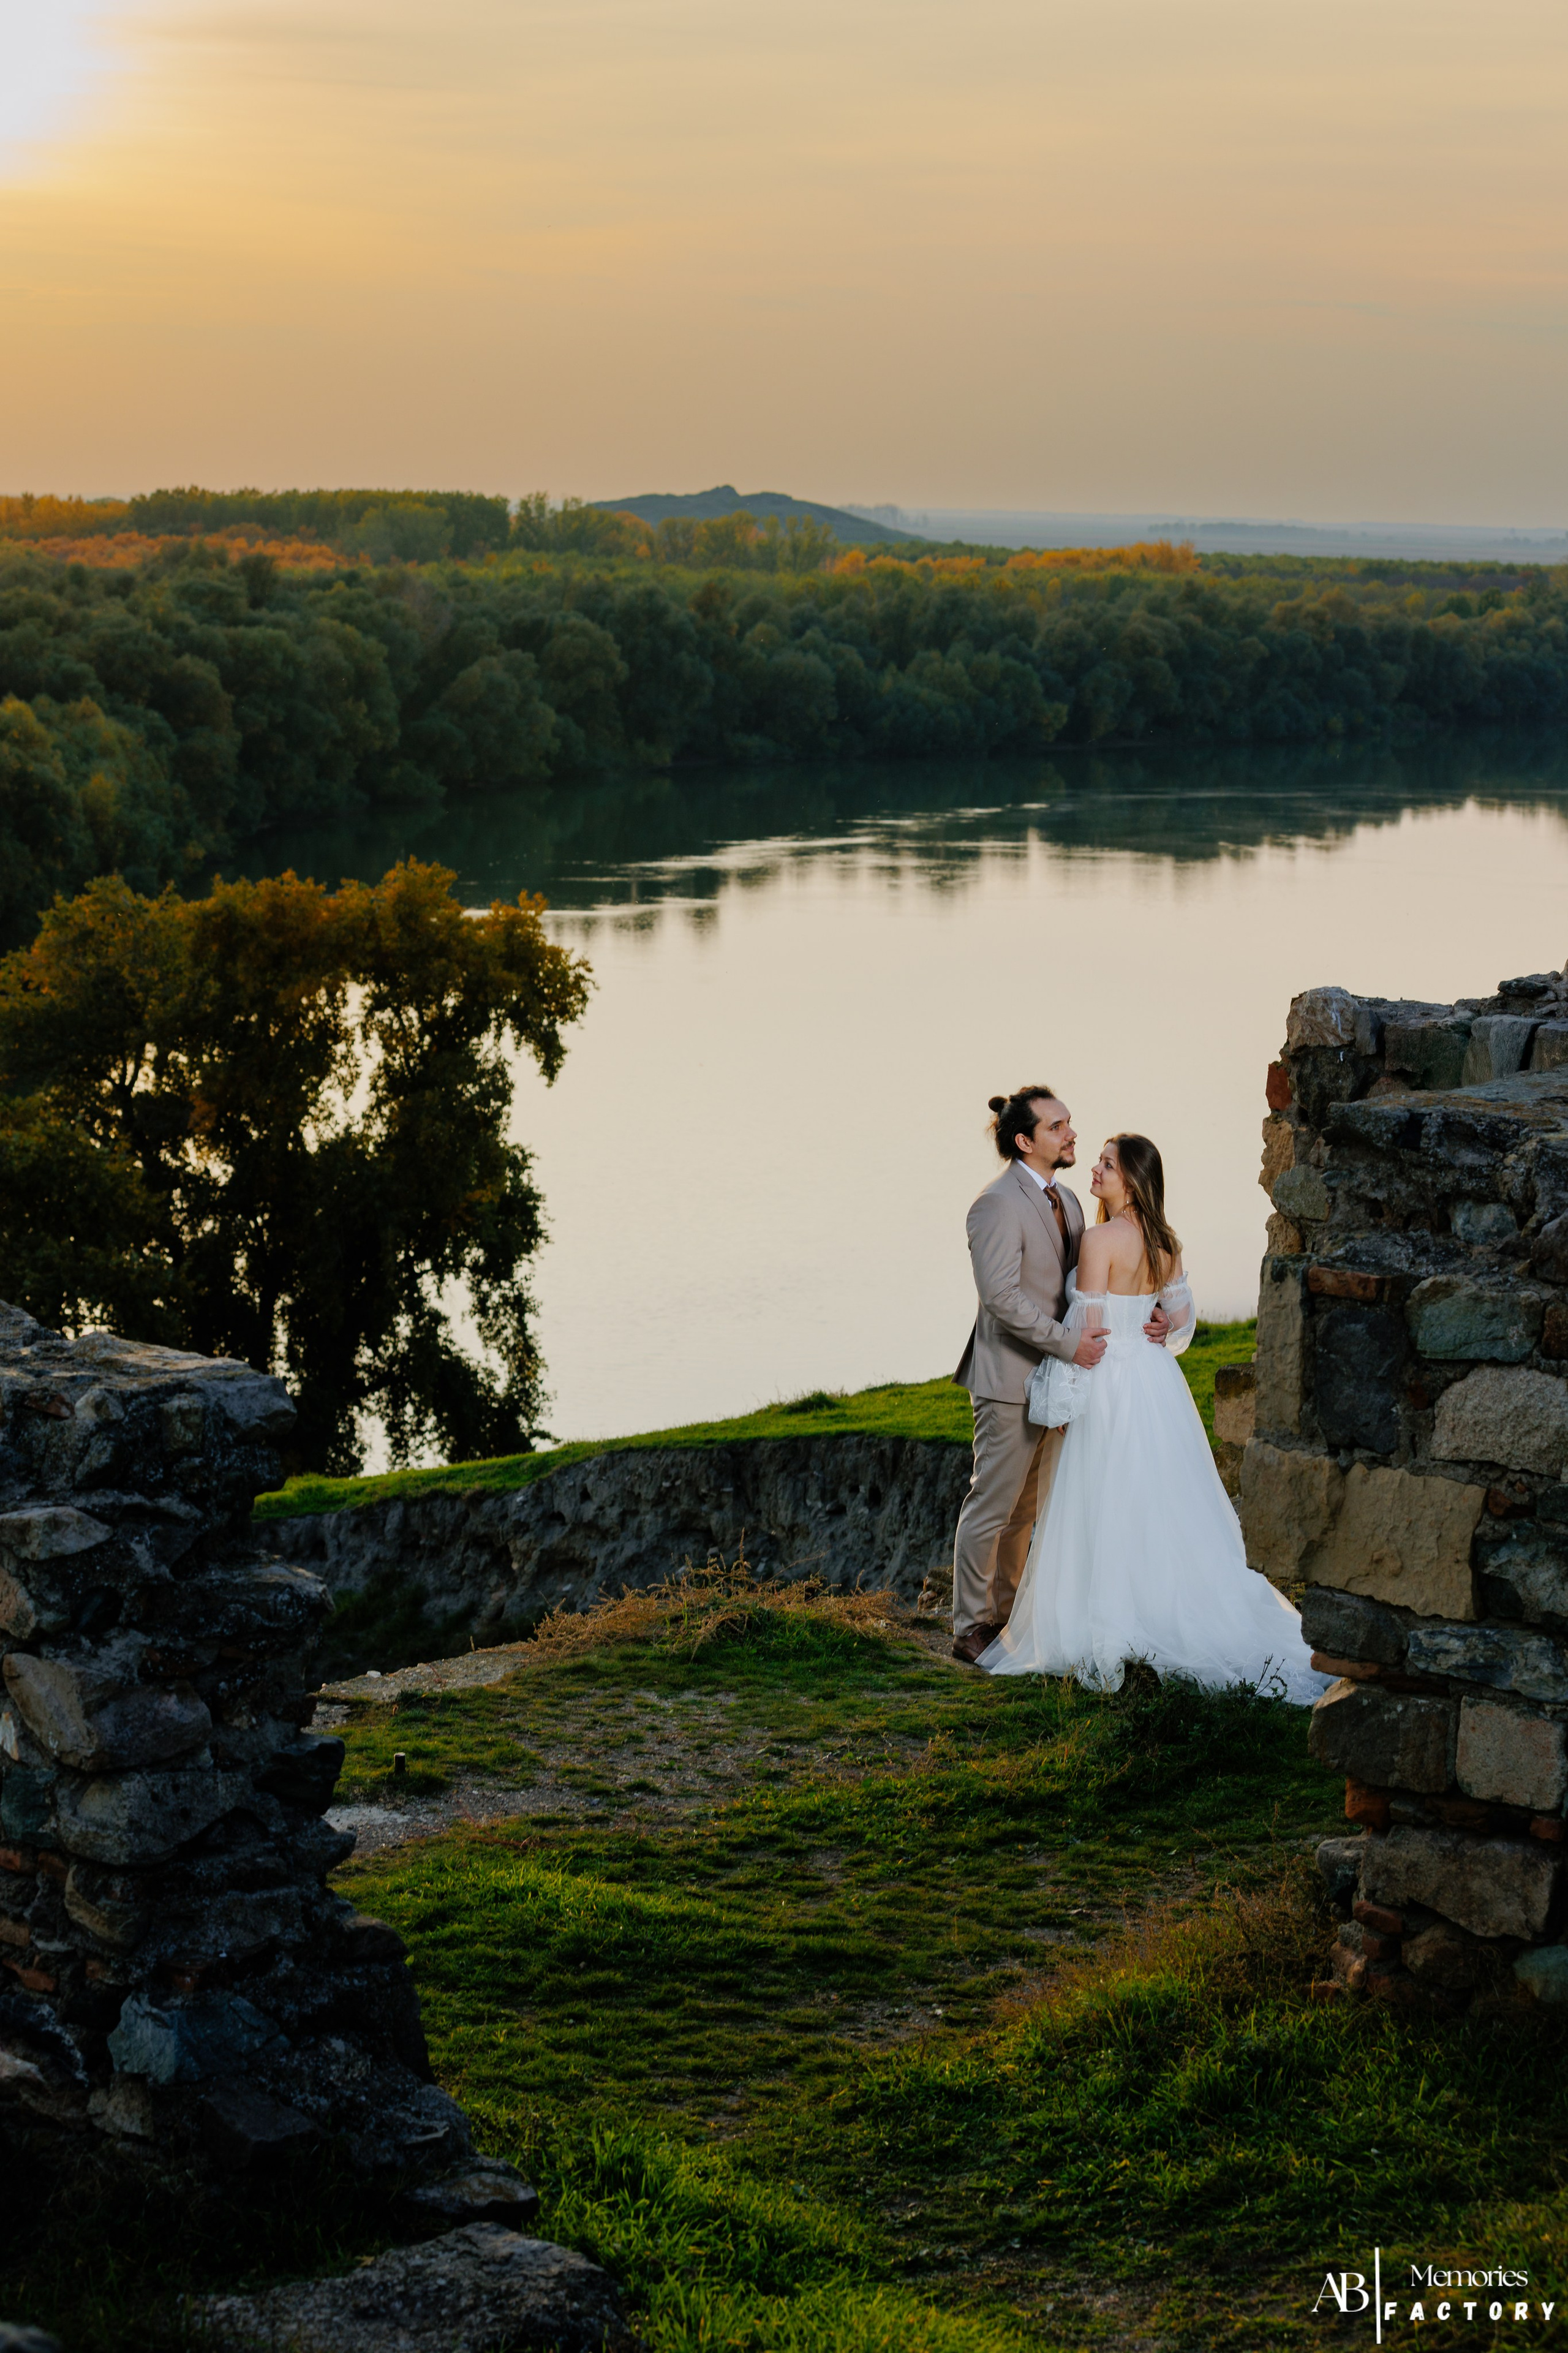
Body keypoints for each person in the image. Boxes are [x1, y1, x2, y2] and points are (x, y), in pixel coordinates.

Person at [978, 1132, 1328, 1702]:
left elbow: (1086, 1334)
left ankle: (1113, 1619)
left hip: (1110, 1382)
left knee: (1106, 1503)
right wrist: (1162, 1320)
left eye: (1108, 1164)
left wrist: (1061, 1400)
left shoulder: (1099, 1240)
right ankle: (1167, 1605)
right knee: (1159, 1502)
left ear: (1133, 1181)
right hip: (1154, 1381)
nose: (1095, 1168)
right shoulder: (1168, 1242)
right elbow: (1183, 1321)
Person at [949, 1088, 1169, 1666]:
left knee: (1028, 1511)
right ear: (1026, 1141)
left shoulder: (1068, 1200)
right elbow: (1000, 1298)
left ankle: (1007, 1616)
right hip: (1009, 1377)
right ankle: (970, 1625)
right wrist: (1071, 1345)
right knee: (992, 1505)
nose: (1072, 1134)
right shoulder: (996, 1204)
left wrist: (1154, 1311)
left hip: (1059, 1383)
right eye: (1058, 1126)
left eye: (1070, 1124)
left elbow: (1094, 1285)